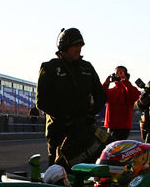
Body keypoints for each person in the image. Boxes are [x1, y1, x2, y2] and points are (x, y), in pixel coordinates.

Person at [36, 28, 106, 168]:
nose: (79, 49)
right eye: (76, 45)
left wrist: (89, 115)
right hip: (59, 131)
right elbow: (41, 101)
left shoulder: (87, 68)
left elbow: (101, 96)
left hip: (83, 129)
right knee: (57, 171)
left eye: (81, 45)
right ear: (64, 46)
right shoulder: (49, 68)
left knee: (87, 168)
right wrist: (66, 118)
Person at [102, 65, 140, 141]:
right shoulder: (111, 91)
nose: (118, 75)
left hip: (123, 127)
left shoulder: (129, 89)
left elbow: (136, 95)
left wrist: (125, 82)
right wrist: (106, 84)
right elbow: (101, 96)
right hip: (111, 126)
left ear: (126, 75)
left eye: (121, 73)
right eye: (116, 73)